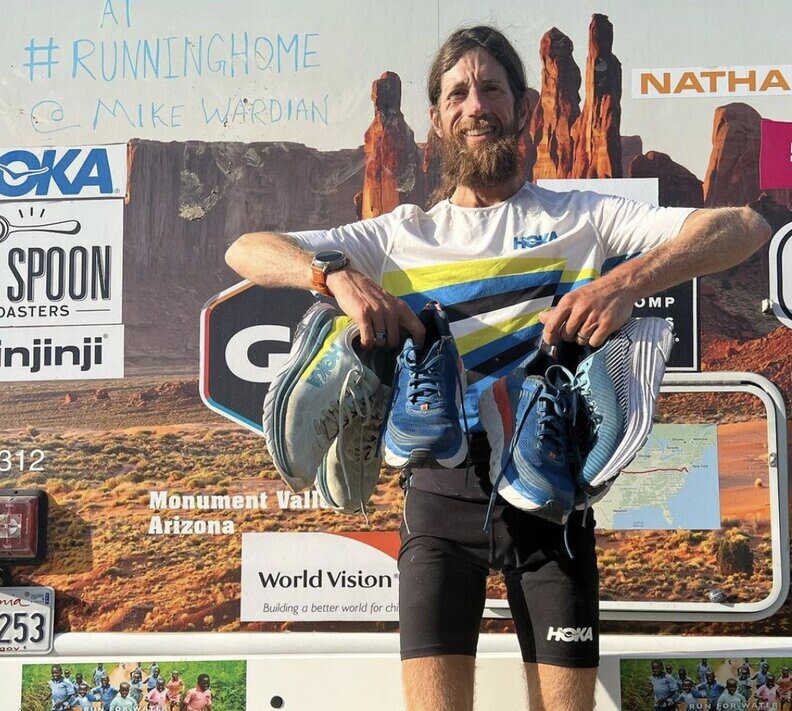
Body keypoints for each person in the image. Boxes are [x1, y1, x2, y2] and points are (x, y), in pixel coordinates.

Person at [225, 25, 772, 711]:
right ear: (436, 118)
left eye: (491, 89)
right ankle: (347, 362)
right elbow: (246, 249)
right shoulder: (401, 234)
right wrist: (333, 277)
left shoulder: (583, 216)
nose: (475, 105)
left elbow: (744, 227)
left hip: (551, 504)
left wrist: (625, 281)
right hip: (439, 501)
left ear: (525, 107)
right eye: (458, 93)